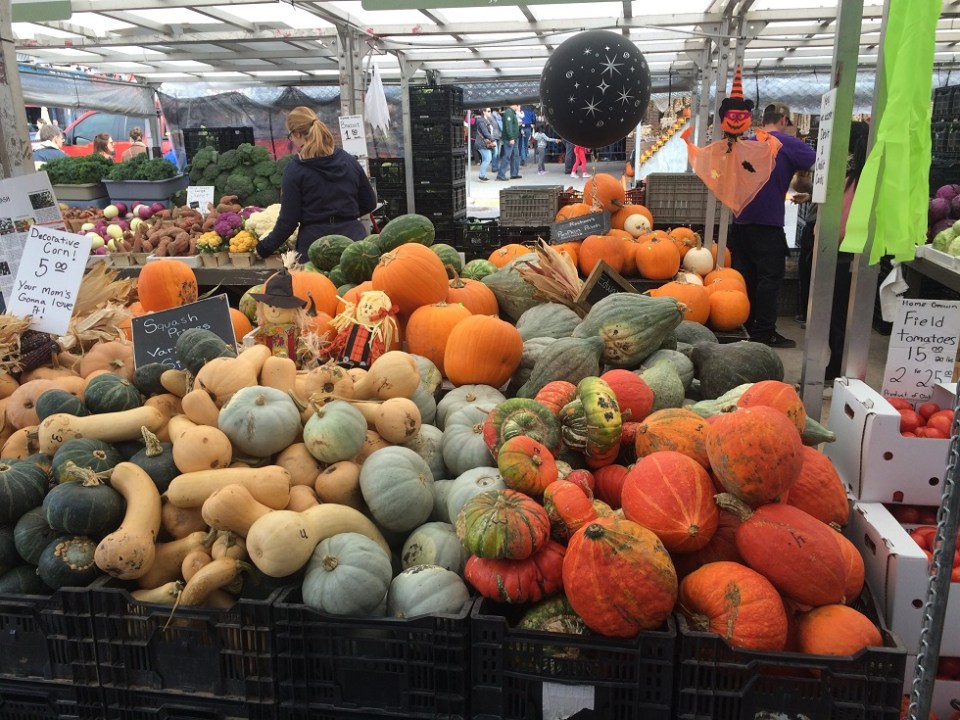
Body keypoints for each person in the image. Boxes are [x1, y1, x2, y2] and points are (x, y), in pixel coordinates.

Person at [729, 101, 816, 348]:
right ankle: (764, 332)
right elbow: (820, 166)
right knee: (770, 278)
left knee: (746, 277)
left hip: (740, 221)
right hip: (768, 223)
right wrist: (807, 187)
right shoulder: (787, 143)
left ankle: (745, 327)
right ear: (783, 121)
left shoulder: (746, 143)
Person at [254, 106, 377, 263]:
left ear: (297, 134)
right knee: (354, 287)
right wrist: (345, 216)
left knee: (316, 288)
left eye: (290, 135)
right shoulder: (348, 160)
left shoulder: (296, 169)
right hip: (352, 244)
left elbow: (288, 221)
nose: (291, 140)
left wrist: (264, 248)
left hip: (315, 248)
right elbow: (369, 202)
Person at [823, 120, 870, 382]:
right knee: (849, 316)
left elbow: (837, 225)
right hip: (859, 254)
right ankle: (844, 368)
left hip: (841, 253)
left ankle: (837, 368)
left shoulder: (846, 174)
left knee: (838, 315)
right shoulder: (866, 177)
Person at [495, 104, 522, 181]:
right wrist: (511, 137)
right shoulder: (509, 113)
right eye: (518, 106)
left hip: (514, 138)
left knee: (515, 156)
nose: (519, 107)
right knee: (507, 156)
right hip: (510, 139)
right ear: (513, 105)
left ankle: (514, 174)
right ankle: (501, 174)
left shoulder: (512, 113)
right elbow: (508, 126)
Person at [474, 108, 497, 182]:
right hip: (482, 143)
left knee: (485, 159)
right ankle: (481, 176)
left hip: (484, 143)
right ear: (484, 112)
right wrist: (493, 140)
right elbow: (485, 132)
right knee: (488, 159)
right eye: (488, 111)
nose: (490, 113)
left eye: (490, 111)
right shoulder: (481, 121)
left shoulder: (486, 120)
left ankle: (482, 175)